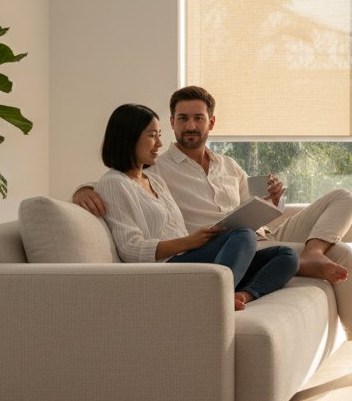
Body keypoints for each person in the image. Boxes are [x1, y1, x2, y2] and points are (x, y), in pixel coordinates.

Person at [76, 87, 352, 378]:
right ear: (172, 122)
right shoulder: (159, 167)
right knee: (339, 253)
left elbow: (249, 212)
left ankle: (307, 255)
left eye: (198, 118)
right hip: (216, 247)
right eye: (181, 119)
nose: (189, 126)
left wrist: (273, 203)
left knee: (343, 198)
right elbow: (117, 185)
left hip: (259, 233)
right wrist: (81, 191)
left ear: (212, 122)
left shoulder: (228, 166)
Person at [94, 103, 299, 311]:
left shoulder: (154, 180)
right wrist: (189, 242)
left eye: (159, 135)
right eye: (152, 135)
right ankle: (213, 299)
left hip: (188, 261)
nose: (159, 143)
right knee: (243, 235)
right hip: (163, 270)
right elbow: (130, 249)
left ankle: (238, 295)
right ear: (129, 137)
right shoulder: (114, 183)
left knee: (287, 256)